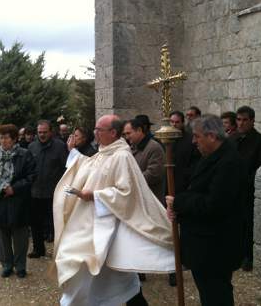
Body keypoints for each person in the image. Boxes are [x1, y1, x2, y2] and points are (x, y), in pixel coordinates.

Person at [54, 115, 175, 306]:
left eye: (99, 130)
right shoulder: (104, 152)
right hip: (91, 223)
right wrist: (74, 154)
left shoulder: (122, 156)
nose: (95, 133)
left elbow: (126, 192)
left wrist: (94, 195)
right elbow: (89, 165)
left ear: (112, 133)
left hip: (108, 227)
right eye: (95, 129)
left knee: (94, 267)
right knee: (107, 274)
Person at [166, 114, 246, 306]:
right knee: (210, 294)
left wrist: (179, 203)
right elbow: (196, 189)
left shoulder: (229, 162)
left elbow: (213, 205)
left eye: (197, 136)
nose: (193, 141)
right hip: (205, 246)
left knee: (216, 296)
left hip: (215, 247)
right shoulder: (213, 156)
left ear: (211, 136)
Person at [0, 124, 36, 278]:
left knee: (20, 236)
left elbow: (31, 176)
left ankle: (20, 266)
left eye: (6, 137)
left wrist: (14, 188)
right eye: (1, 137)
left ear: (14, 139)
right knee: (3, 236)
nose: (3, 140)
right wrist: (0, 187)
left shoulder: (25, 154)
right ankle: (7, 265)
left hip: (18, 201)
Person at [230, 106, 261, 271]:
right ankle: (235, 253)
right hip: (231, 191)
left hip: (248, 192)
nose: (240, 123)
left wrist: (244, 181)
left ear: (252, 121)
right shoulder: (231, 139)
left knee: (247, 224)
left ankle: (248, 256)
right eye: (238, 119)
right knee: (234, 223)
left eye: (244, 120)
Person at [168, 110, 201, 286]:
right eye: (171, 122)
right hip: (167, 191)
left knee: (182, 230)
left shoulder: (190, 141)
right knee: (169, 232)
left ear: (182, 123)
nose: (174, 125)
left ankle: (181, 263)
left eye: (177, 122)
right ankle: (171, 268)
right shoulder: (164, 140)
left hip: (184, 190)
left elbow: (195, 165)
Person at [27, 120, 67, 258]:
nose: (42, 135)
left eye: (44, 132)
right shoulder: (32, 147)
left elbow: (65, 169)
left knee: (56, 224)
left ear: (51, 132)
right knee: (35, 224)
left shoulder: (60, 147)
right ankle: (38, 249)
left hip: (53, 193)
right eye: (39, 132)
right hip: (35, 193)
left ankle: (60, 253)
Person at [123, 119, 164, 202]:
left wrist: (128, 181)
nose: (126, 137)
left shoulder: (154, 148)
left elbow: (153, 175)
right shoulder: (132, 148)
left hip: (151, 200)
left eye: (128, 133)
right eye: (125, 134)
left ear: (139, 130)